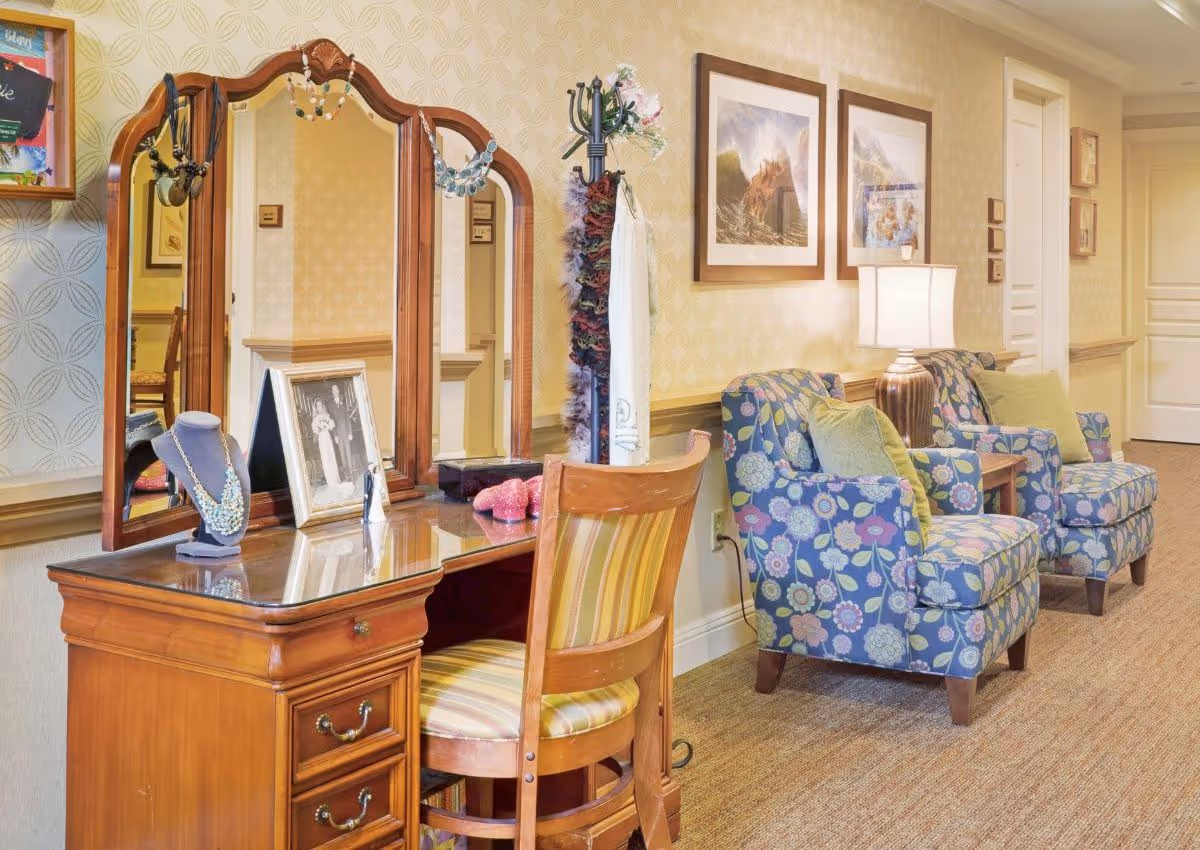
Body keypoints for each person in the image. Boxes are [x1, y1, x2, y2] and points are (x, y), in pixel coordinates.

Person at [311, 398, 342, 494]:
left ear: (322, 406)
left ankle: (335, 478)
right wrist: (319, 429)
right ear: (316, 407)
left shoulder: (326, 415)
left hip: (328, 437)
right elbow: (315, 429)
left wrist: (327, 426)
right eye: (317, 406)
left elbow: (332, 425)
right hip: (321, 439)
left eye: (320, 405)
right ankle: (330, 481)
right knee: (325, 458)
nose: (319, 407)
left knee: (331, 456)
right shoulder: (315, 419)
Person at [330, 383, 356, 477]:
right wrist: (335, 436)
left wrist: (350, 432)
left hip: (346, 432)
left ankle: (351, 473)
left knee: (348, 453)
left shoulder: (343, 401)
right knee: (342, 455)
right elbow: (332, 422)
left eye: (336, 389)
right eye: (333, 390)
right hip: (338, 434)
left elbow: (347, 418)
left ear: (338, 391)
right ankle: (346, 475)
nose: (335, 391)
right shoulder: (331, 405)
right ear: (332, 392)